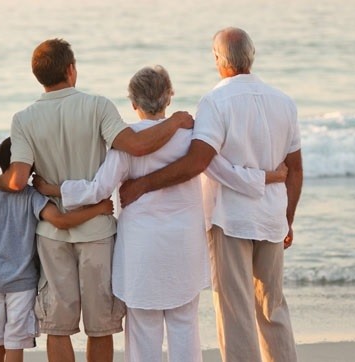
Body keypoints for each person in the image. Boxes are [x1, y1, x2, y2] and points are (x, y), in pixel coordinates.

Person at [33, 65, 285, 362]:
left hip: (142, 251)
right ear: (169, 98)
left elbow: (97, 189)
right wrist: (268, 177)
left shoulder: (125, 145)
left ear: (134, 103)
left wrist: (54, 189)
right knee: (185, 330)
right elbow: (224, 173)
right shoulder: (191, 137)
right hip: (184, 248)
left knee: (143, 335)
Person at [0, 38, 194, 362]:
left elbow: (17, 178)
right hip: (98, 232)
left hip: (52, 235)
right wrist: (175, 122)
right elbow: (137, 145)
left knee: (58, 327)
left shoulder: (23, 118)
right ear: (71, 70)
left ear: (38, 76)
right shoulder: (98, 106)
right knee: (100, 326)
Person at [119, 28, 303, 362]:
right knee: (272, 308)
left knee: (236, 312)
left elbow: (199, 162)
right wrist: (287, 218)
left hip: (230, 219)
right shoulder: (284, 102)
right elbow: (296, 169)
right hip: (272, 218)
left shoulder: (215, 101)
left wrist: (143, 184)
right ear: (251, 56)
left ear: (220, 60)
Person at [0, 137, 114, 362]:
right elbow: (61, 221)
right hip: (21, 285)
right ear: (30, 167)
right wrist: (99, 209)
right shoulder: (32, 198)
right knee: (14, 346)